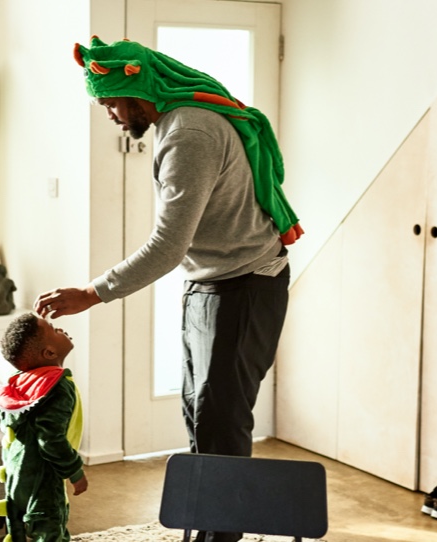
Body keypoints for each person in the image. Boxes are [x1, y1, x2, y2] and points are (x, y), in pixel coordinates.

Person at [34, 36, 302, 542]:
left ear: (141, 92)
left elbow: (168, 245)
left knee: (219, 422)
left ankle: (220, 536)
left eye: (111, 102)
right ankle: (206, 528)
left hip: (245, 285)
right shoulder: (174, 124)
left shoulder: (190, 132)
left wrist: (92, 293)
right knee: (199, 412)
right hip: (212, 283)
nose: (110, 114)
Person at [0, 311, 87, 542]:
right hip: (43, 483)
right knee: (52, 531)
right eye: (54, 329)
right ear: (49, 352)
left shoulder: (22, 382)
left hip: (17, 477)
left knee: (19, 533)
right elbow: (50, 438)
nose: (61, 329)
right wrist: (75, 471)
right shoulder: (57, 387)